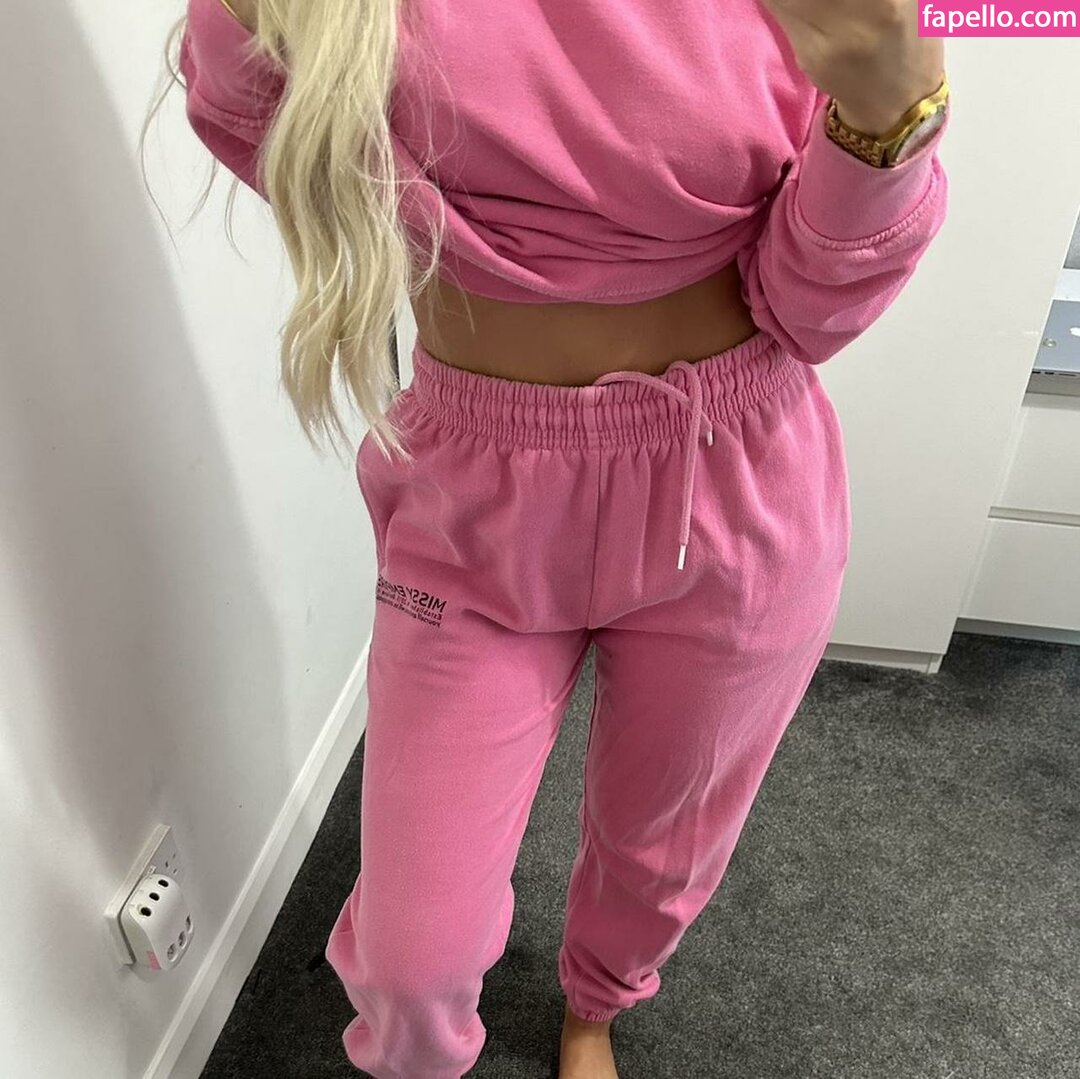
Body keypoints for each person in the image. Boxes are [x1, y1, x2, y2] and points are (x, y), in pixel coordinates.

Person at [165, 1, 949, 1075]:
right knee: (410, 957)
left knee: (661, 852)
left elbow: (809, 313)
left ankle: (596, 1006)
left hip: (730, 482)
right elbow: (248, 103)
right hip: (473, 500)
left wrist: (886, 120)